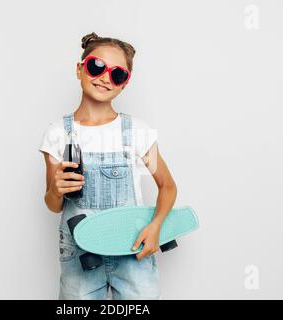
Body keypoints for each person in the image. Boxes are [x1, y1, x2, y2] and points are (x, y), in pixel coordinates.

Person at [38, 32, 178, 300]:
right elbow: (53, 204)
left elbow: (168, 186)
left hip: (132, 249)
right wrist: (56, 190)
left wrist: (156, 225)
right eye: (96, 67)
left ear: (124, 84)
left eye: (118, 74)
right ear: (80, 69)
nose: (105, 78)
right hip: (80, 256)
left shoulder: (137, 131)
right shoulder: (57, 133)